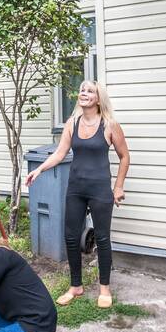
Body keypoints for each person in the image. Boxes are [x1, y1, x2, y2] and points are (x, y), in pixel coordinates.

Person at [25, 80, 130, 309]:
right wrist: (40, 169)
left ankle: (104, 288)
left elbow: (124, 156)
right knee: (71, 236)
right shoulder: (72, 123)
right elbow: (60, 153)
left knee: (102, 238)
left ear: (98, 98)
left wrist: (119, 186)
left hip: (100, 189)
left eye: (90, 91)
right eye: (82, 89)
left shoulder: (109, 125)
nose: (84, 93)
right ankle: (76, 286)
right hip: (76, 189)